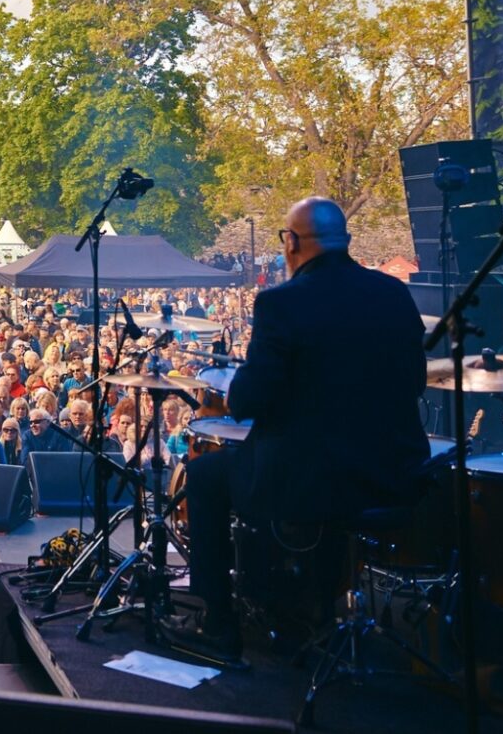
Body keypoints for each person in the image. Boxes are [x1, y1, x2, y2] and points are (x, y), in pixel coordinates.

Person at [159, 197, 430, 663]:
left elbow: (247, 401)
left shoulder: (281, 303)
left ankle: (217, 623)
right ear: (345, 240)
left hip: (314, 480)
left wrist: (245, 381)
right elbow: (416, 382)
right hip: (392, 472)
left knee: (204, 475)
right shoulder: (393, 293)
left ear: (292, 243)